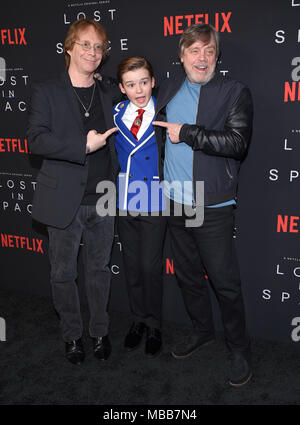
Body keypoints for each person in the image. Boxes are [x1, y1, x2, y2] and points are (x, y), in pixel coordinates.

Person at [153, 23, 253, 386]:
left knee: (225, 283)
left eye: (209, 51)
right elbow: (134, 105)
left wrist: (189, 133)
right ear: (181, 56)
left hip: (211, 204)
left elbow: (238, 142)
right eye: (194, 50)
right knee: (188, 276)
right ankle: (202, 330)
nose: (202, 58)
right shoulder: (167, 88)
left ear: (217, 57)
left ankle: (240, 348)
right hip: (176, 202)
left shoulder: (234, 92)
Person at [26, 18, 120, 365]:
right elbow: (36, 140)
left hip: (104, 198)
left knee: (99, 271)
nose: (93, 52)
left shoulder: (109, 89)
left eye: (99, 47)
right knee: (63, 274)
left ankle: (99, 332)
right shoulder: (46, 90)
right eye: (85, 44)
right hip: (62, 198)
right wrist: (82, 145)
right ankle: (72, 335)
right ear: (69, 47)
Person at [113, 57, 167, 358]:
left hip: (155, 197)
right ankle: (137, 321)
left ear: (153, 82)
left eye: (144, 82)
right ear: (122, 88)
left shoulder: (164, 110)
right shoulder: (115, 113)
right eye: (131, 84)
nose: (139, 89)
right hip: (124, 197)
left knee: (151, 266)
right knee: (132, 265)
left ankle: (155, 324)